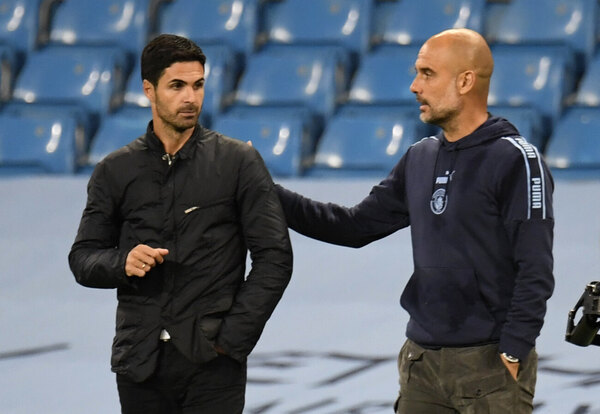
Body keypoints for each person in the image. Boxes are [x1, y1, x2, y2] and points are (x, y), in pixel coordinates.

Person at [274, 29, 554, 413]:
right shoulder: (420, 157)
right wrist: (267, 192)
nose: (413, 85)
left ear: (465, 80)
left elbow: (535, 267)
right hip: (422, 366)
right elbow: (354, 227)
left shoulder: (515, 159)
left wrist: (514, 347)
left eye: (427, 73)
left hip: (489, 369)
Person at [69, 34, 293, 413]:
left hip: (213, 364)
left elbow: (274, 258)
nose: (191, 97)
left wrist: (231, 340)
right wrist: (121, 262)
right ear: (148, 89)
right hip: (140, 363)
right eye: (177, 86)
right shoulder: (114, 170)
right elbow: (83, 257)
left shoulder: (239, 162)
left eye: (198, 85)